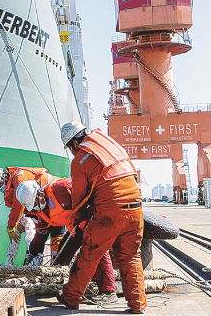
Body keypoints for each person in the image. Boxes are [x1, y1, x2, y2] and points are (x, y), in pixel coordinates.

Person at [57, 121, 146, 313]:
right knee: (130, 256)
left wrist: (79, 218)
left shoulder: (80, 159)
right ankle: (137, 304)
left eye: (70, 148)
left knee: (89, 254)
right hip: (136, 207)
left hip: (110, 211)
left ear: (73, 143)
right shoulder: (108, 143)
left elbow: (78, 197)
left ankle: (71, 298)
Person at [16, 179, 117, 303]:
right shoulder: (42, 210)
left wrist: (89, 218)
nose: (35, 208)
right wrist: (31, 253)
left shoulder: (63, 189)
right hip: (76, 227)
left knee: (96, 250)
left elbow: (92, 196)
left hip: (93, 220)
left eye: (35, 204)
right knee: (64, 251)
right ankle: (57, 282)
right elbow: (40, 234)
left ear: (41, 195)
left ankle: (108, 291)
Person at [0, 167, 62, 266]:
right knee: (38, 240)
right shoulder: (14, 187)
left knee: (57, 237)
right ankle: (35, 262)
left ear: (4, 177)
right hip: (45, 209)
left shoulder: (19, 178)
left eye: (0, 185)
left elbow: (19, 204)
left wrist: (11, 226)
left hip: (55, 200)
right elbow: (29, 205)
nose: (1, 189)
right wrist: (26, 220)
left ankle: (56, 265)